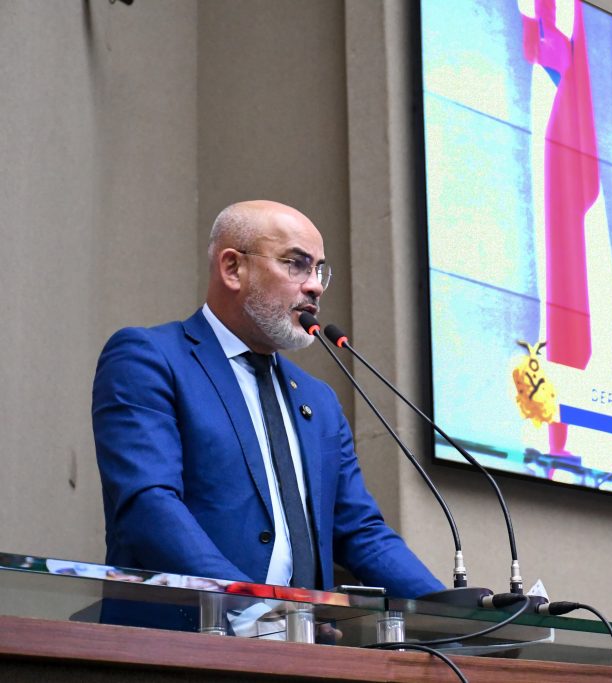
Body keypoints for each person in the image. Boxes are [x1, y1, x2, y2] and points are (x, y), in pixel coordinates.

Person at [92, 201, 443, 629]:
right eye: (296, 265)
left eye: (319, 270)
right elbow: (148, 505)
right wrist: (249, 604)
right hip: (181, 648)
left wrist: (452, 611)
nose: (314, 286)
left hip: (301, 654)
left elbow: (361, 533)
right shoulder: (150, 359)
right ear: (232, 269)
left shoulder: (319, 400)